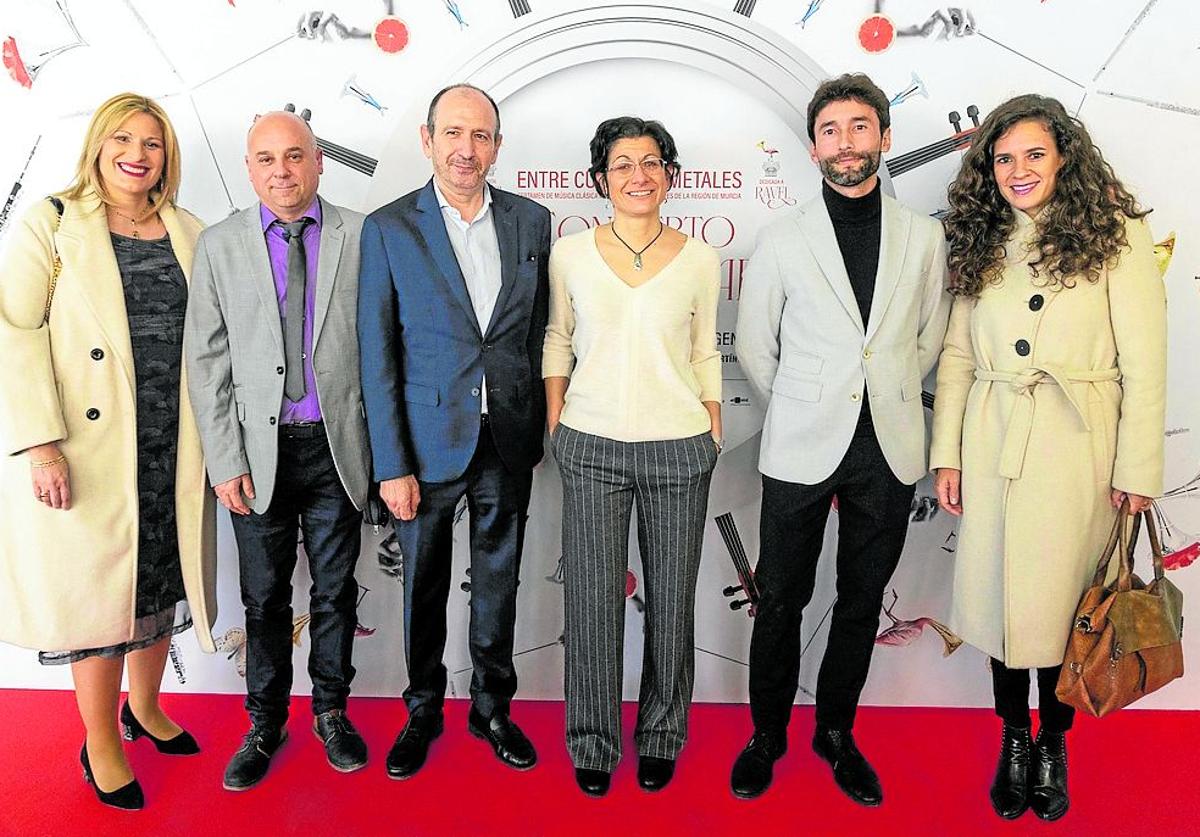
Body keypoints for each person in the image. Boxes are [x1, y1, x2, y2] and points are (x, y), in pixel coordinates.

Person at [930, 93, 1166, 822]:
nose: (1018, 169)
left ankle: (1055, 741)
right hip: (996, 440)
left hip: (1080, 450)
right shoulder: (981, 238)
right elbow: (960, 354)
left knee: (1069, 611)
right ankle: (1013, 737)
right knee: (1006, 606)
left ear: (1065, 155)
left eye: (1034, 153)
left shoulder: (1118, 236)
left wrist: (1137, 470)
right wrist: (948, 454)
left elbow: (1147, 364)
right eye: (1003, 158)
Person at [731, 73, 952, 805]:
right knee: (782, 598)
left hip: (887, 448)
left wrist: (877, 390)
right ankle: (767, 735)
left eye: (860, 127)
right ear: (813, 145)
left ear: (884, 138)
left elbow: (927, 339)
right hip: (800, 443)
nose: (846, 142)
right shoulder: (783, 238)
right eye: (831, 130)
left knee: (861, 598)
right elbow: (757, 349)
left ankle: (836, 730)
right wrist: (807, 401)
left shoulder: (924, 237)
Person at [0, 92, 217, 810]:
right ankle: (100, 739)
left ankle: (146, 706)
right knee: (100, 599)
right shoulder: (52, 223)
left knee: (161, 585)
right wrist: (42, 444)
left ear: (167, 156)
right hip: (90, 449)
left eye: (152, 142)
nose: (137, 153)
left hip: (173, 442)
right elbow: (13, 331)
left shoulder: (190, 229)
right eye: (122, 138)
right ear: (97, 145)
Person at [358, 83, 551, 779]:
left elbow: (534, 334)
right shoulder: (388, 228)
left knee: (498, 582)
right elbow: (376, 355)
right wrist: (391, 463)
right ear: (428, 139)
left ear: (497, 145)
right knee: (424, 586)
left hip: (507, 439)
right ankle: (422, 707)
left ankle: (492, 707)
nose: (467, 149)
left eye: (481, 136)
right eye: (453, 134)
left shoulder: (532, 221)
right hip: (424, 445)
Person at [184, 110, 373, 791]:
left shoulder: (361, 234)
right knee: (263, 597)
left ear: (318, 160)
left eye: (294, 156)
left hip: (337, 448)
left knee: (334, 593)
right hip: (256, 451)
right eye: (266, 158)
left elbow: (381, 348)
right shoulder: (220, 244)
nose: (281, 171)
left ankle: (331, 711)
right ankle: (264, 721)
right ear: (249, 167)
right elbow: (205, 357)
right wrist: (224, 455)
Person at [544, 116, 722, 798]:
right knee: (591, 602)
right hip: (589, 444)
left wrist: (709, 424)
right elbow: (558, 339)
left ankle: (661, 734)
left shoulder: (700, 258)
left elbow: (706, 348)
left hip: (680, 445)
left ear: (669, 176)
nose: (638, 175)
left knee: (673, 603)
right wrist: (560, 420)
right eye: (622, 164)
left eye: (651, 162)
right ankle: (592, 739)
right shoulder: (572, 254)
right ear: (600, 179)